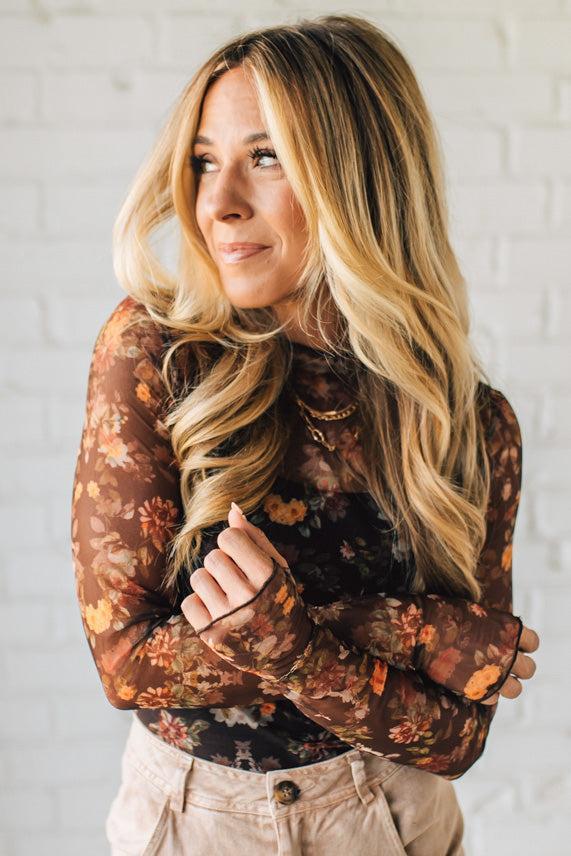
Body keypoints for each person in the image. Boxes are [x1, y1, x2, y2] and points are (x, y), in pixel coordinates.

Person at [71, 13, 540, 856]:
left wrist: (290, 637)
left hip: (393, 819)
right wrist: (410, 631)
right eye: (204, 161)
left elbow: (454, 739)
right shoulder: (154, 353)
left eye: (265, 156)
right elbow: (127, 662)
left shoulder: (466, 420)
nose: (217, 204)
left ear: (360, 177)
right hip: (196, 822)